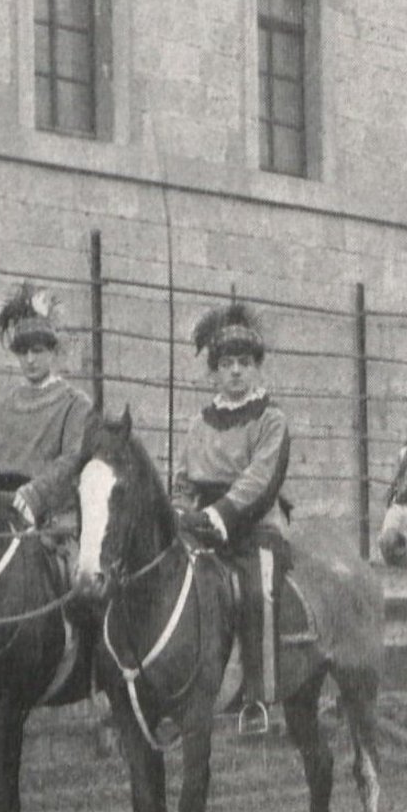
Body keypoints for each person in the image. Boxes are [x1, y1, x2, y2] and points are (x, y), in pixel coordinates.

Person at [172, 301, 292, 719]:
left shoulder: (271, 419)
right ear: (214, 370)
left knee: (258, 592)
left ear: (257, 367)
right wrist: (179, 513)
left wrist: (219, 516)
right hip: (200, 527)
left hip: (253, 527)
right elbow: (184, 480)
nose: (235, 371)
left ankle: (259, 696)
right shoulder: (199, 423)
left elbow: (261, 480)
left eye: (244, 362)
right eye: (226, 363)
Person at [0, 285, 96, 539]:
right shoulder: (8, 405)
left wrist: (35, 494)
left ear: (53, 352)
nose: (30, 360)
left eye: (38, 351)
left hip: (50, 517)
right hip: (2, 512)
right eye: (23, 352)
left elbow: (72, 461)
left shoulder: (75, 404)